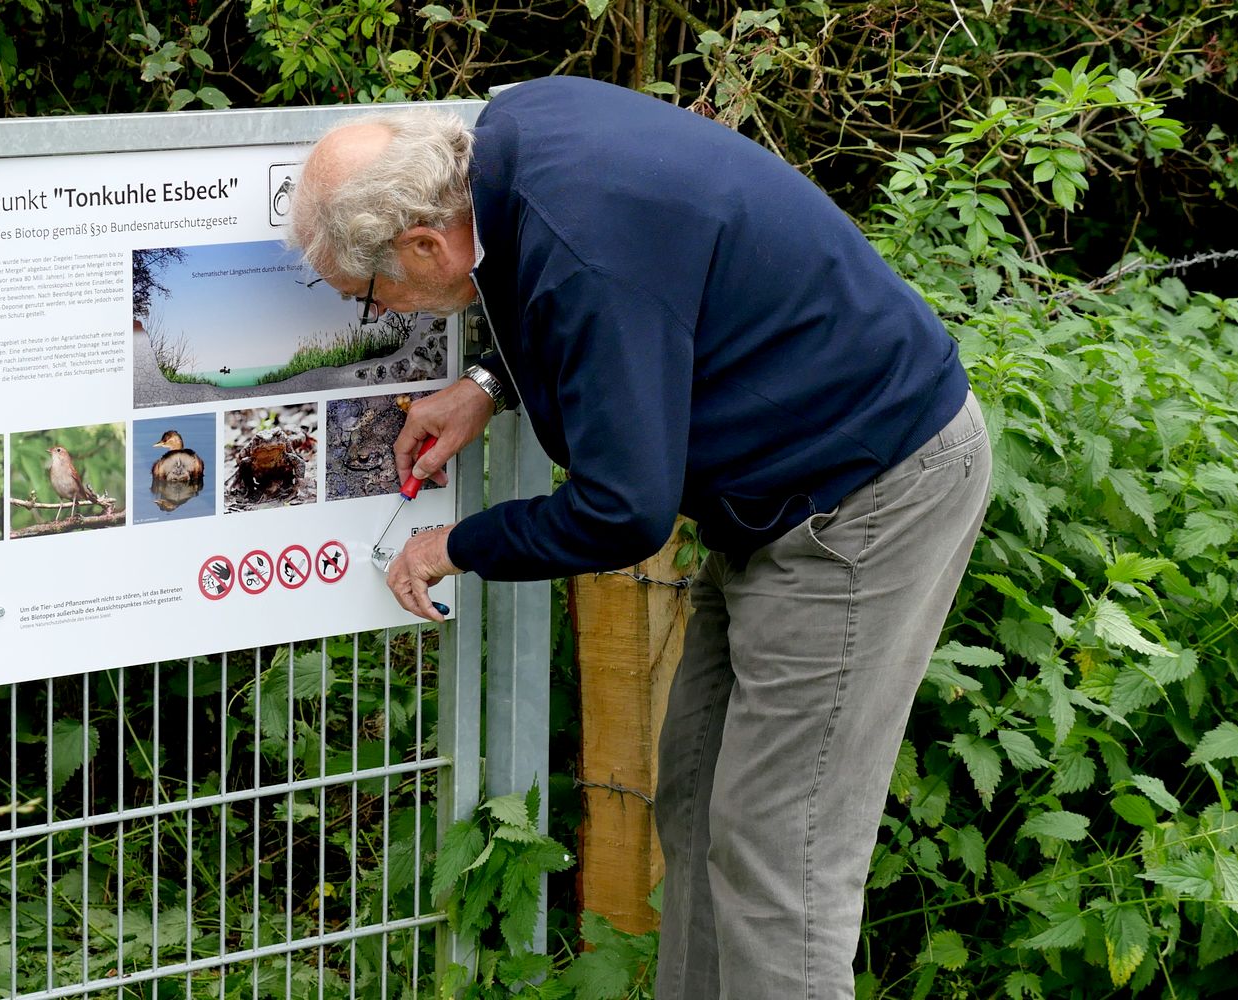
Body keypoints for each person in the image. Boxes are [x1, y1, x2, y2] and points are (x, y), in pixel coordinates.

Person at [288, 76, 993, 999]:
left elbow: (623, 512)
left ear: (425, 241)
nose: (385, 315)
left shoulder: (581, 245)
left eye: (372, 296)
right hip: (777, 494)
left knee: (784, 850)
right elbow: (628, 299)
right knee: (696, 801)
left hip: (867, 494)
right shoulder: (513, 143)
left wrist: (455, 546)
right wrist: (491, 384)